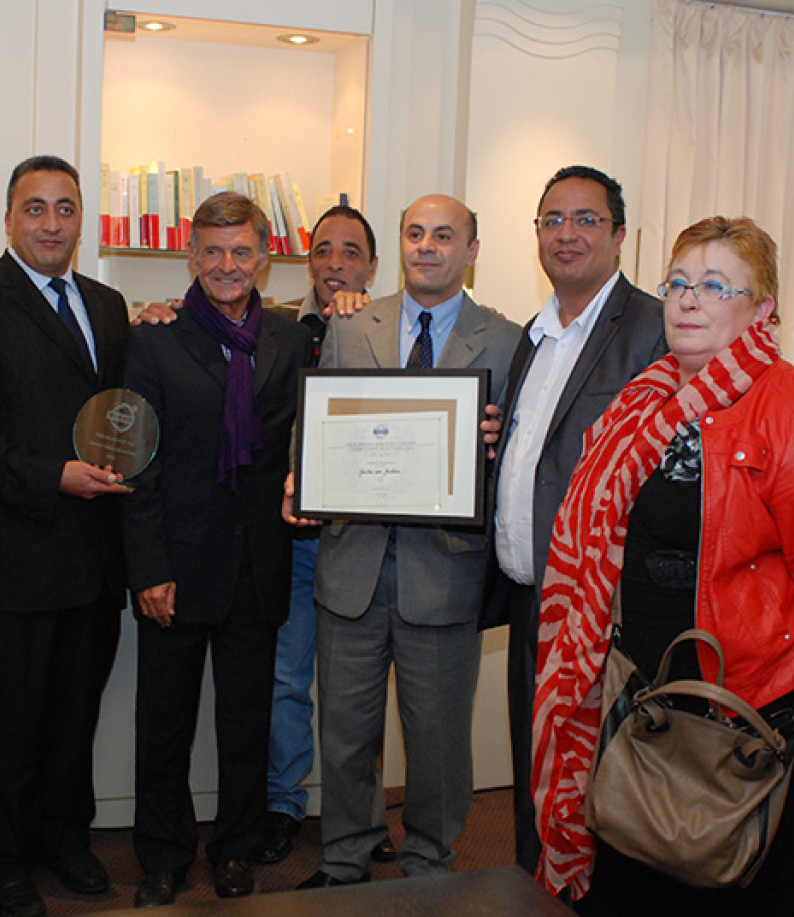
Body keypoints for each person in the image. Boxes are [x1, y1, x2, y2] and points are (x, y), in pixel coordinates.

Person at [532, 216, 794, 915]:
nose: (689, 299)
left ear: (762, 309)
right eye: (679, 282)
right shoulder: (640, 405)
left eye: (716, 284)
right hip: (644, 714)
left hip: (749, 732)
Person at [0, 155, 131, 917]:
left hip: (92, 562)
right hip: (9, 562)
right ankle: (0, 859)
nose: (51, 223)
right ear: (7, 219)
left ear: (83, 219)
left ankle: (63, 841)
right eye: (34, 208)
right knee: (6, 729)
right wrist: (55, 477)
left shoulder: (108, 305)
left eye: (65, 208)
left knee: (73, 722)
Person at [295, 194, 523, 887]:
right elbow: (317, 427)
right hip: (352, 564)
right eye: (415, 233)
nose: (427, 246)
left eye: (444, 235)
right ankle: (344, 859)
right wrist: (303, 471)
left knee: (438, 744)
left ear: (471, 250)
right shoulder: (351, 326)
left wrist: (493, 442)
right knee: (344, 734)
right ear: (401, 244)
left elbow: (524, 455)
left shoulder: (510, 340)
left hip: (445, 572)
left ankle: (430, 865)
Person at [123, 192, 314, 907]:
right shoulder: (155, 339)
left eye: (240, 251)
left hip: (258, 568)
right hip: (174, 568)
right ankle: (163, 857)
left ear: (264, 255)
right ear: (191, 256)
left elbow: (309, 440)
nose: (227, 265)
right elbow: (136, 465)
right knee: (163, 728)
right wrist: (149, 568)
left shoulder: (292, 340)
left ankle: (235, 851)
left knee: (246, 725)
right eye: (212, 251)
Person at [481, 165, 665, 873]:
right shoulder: (534, 332)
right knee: (539, 772)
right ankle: (539, 889)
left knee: (601, 777)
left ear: (620, 236)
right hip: (532, 599)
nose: (567, 233)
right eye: (552, 219)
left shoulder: (651, 327)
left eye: (586, 219)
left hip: (604, 609)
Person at [256, 205, 399, 866]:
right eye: (322, 250)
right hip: (289, 537)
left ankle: (364, 817)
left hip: (359, 541)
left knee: (356, 689)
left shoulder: (393, 330)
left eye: (350, 251)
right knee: (287, 678)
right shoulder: (274, 326)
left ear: (372, 264)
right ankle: (283, 802)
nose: (334, 262)